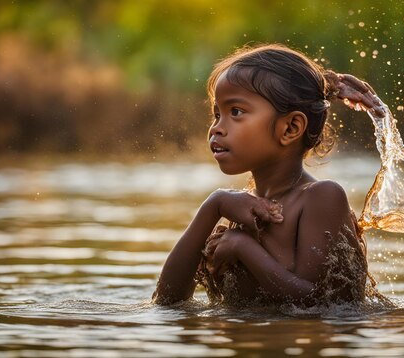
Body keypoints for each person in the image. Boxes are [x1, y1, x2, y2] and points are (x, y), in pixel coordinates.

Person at [152, 44, 384, 307]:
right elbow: (168, 301)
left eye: (235, 112)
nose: (216, 128)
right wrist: (213, 206)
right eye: (217, 114)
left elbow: (323, 303)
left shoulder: (321, 197)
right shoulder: (238, 208)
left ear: (291, 128)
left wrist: (244, 248)